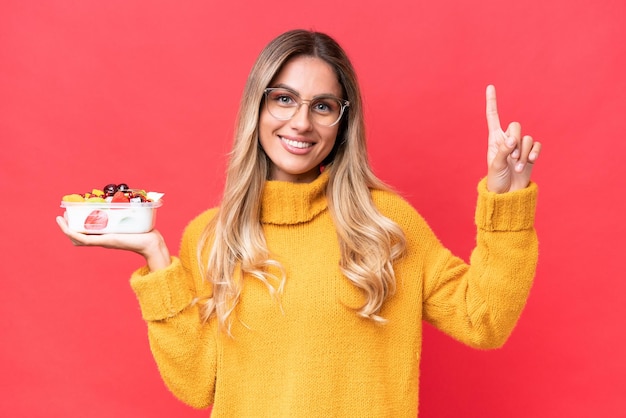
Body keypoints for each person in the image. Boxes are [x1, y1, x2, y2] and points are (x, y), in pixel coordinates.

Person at [57, 29, 542, 417]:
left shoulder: (383, 224)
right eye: (284, 99)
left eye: (323, 106)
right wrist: (157, 261)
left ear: (342, 122)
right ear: (258, 106)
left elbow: (485, 320)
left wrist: (508, 197)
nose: (302, 123)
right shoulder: (210, 237)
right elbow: (195, 387)